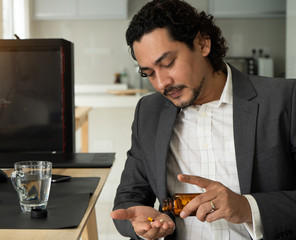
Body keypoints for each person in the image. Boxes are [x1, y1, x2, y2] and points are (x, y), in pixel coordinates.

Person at [110, 0, 296, 239]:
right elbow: (129, 198)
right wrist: (141, 224)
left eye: (167, 63)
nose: (161, 83)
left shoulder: (285, 99)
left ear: (202, 43)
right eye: (149, 73)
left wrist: (247, 208)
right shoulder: (149, 111)